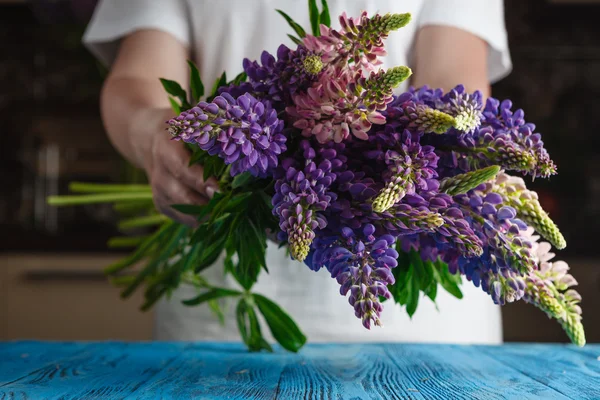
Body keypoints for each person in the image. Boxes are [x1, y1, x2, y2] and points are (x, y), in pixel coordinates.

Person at [83, 0, 512, 343]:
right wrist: (151, 132)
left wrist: (404, 153)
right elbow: (137, 78)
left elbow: (454, 96)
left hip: (418, 328)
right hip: (219, 312)